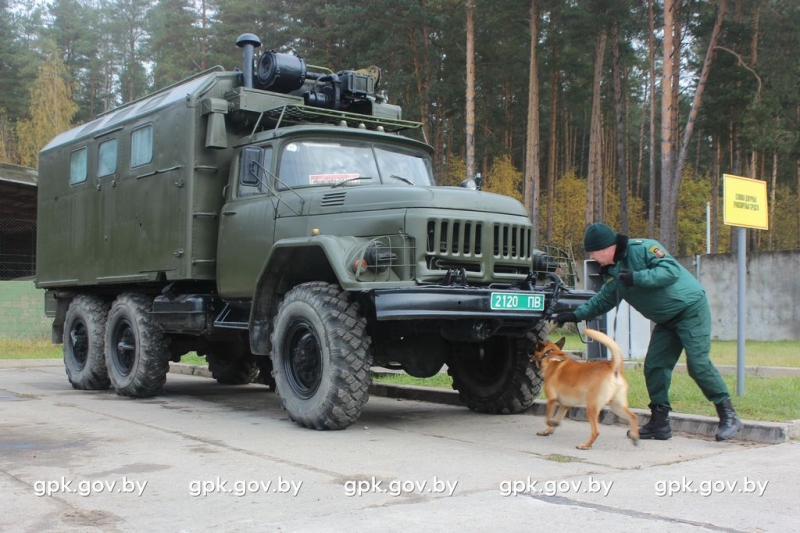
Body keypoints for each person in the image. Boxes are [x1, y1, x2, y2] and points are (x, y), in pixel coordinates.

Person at [553, 222, 743, 442]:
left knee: (698, 364)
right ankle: (660, 423)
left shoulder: (643, 248)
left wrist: (636, 277)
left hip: (690, 310)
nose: (592, 257)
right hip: (666, 321)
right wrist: (573, 315)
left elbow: (670, 271)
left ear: (605, 248)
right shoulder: (612, 272)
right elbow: (602, 301)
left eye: (593, 252)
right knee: (655, 366)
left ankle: (729, 416)